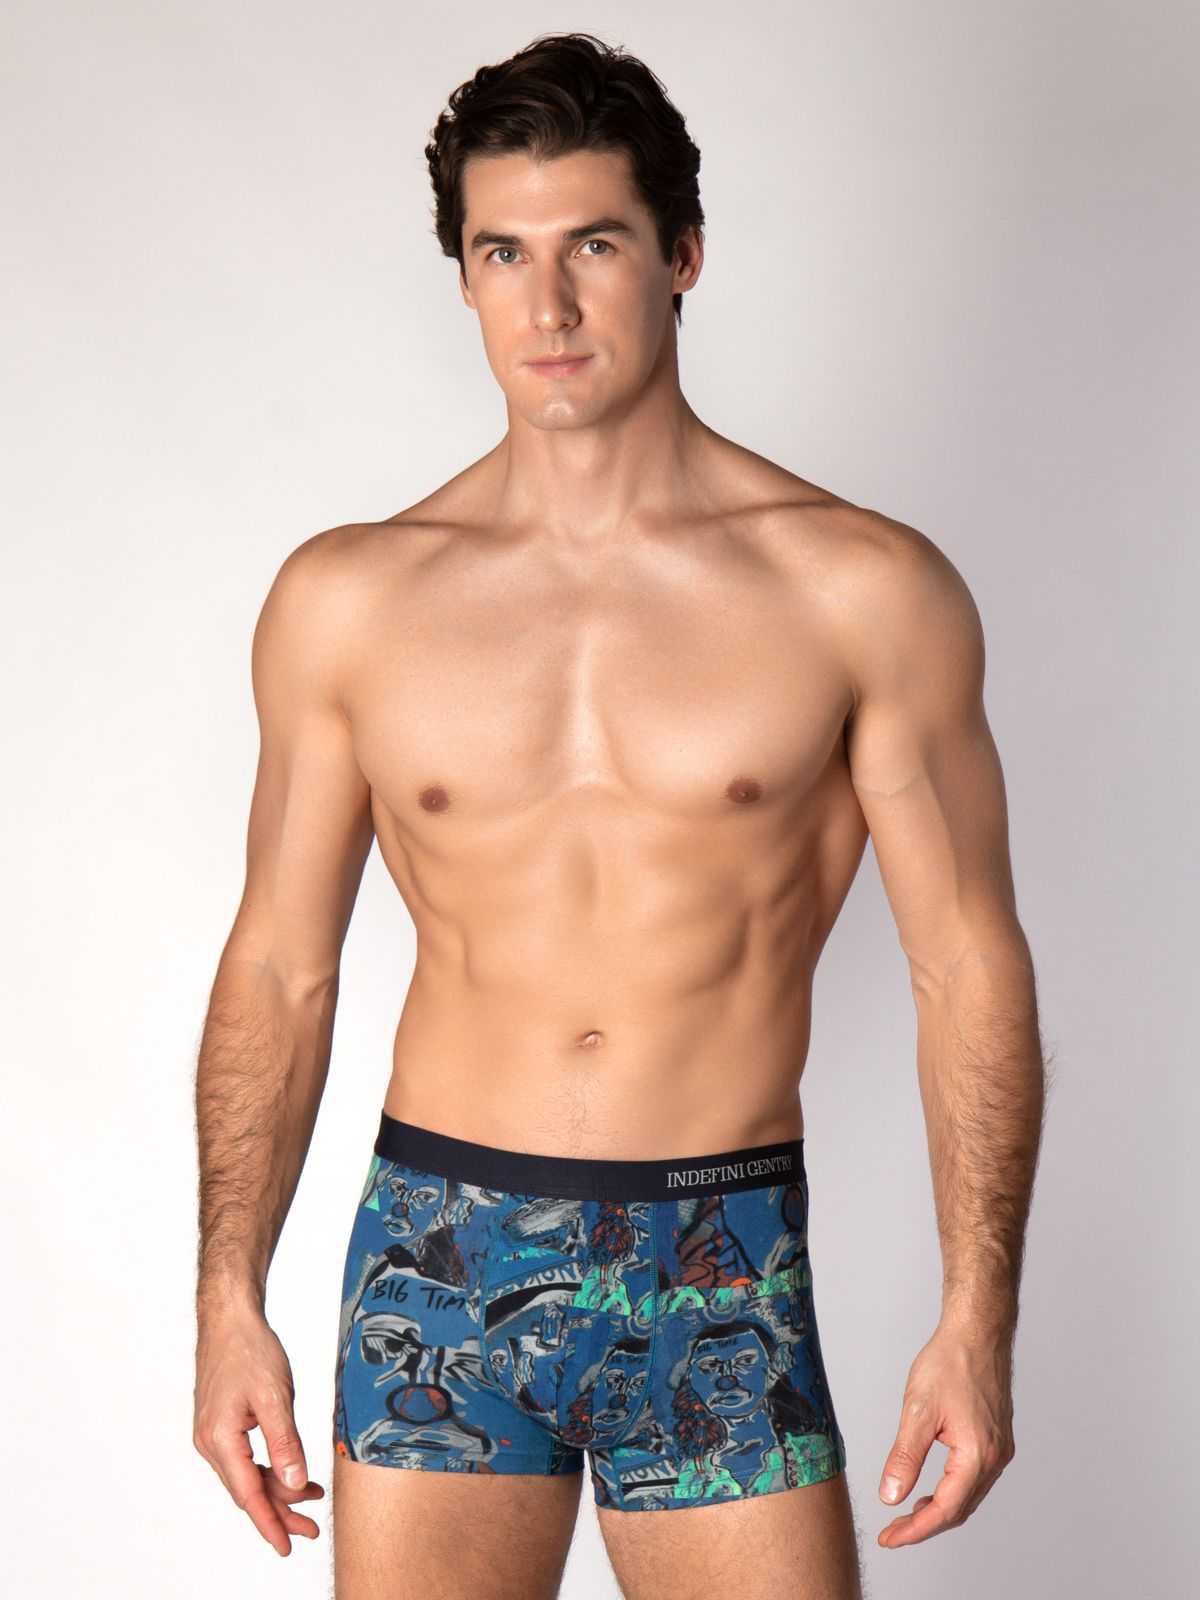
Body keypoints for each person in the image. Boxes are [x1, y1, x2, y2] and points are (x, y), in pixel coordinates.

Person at [191, 30, 1045, 1600]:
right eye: (502, 253)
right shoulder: (349, 603)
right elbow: (279, 969)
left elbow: (966, 964)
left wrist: (977, 1318)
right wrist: (224, 1296)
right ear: (463, 275)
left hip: (716, 1258)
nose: (549, 305)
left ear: (682, 256)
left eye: (593, 244)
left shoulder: (860, 591)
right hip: (441, 1248)